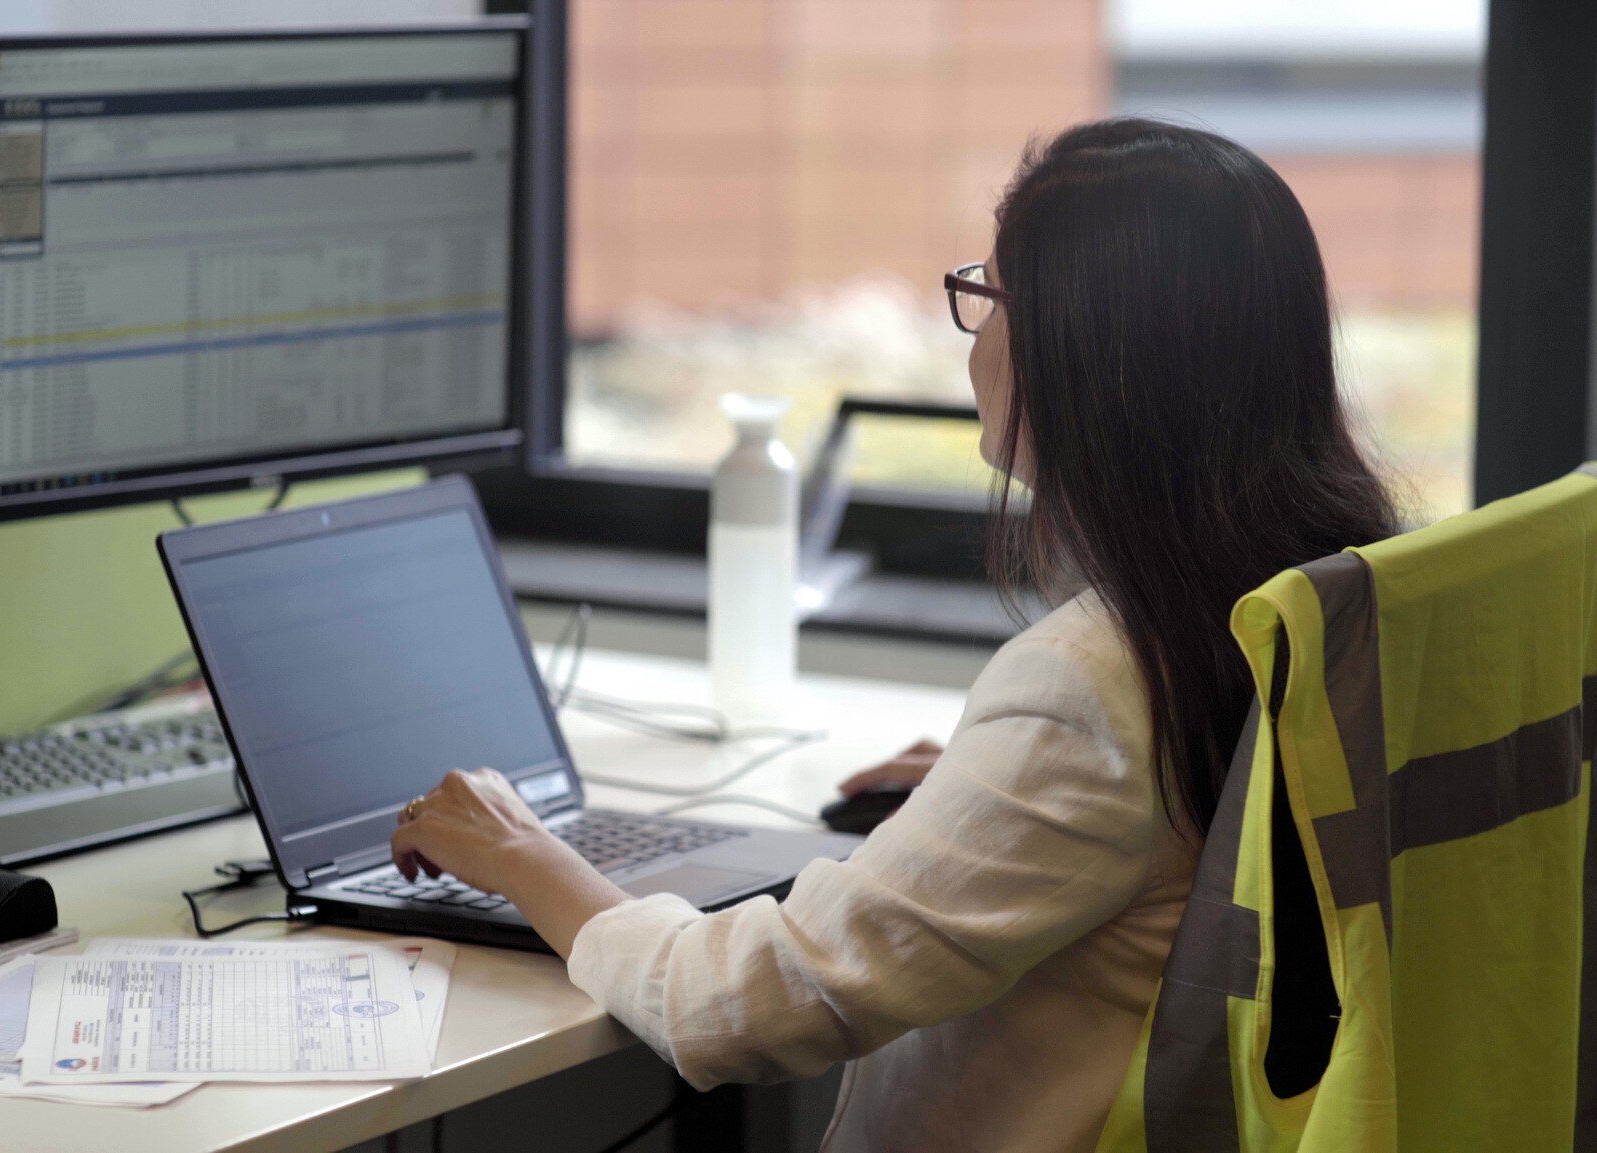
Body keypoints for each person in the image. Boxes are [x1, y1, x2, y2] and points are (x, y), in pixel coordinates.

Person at [387, 118, 1399, 1151]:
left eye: (988, 295)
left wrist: (524, 857)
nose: (977, 333)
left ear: (1078, 350)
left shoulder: (1093, 685)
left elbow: (747, 1007)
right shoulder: (1338, 585)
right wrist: (987, 791)